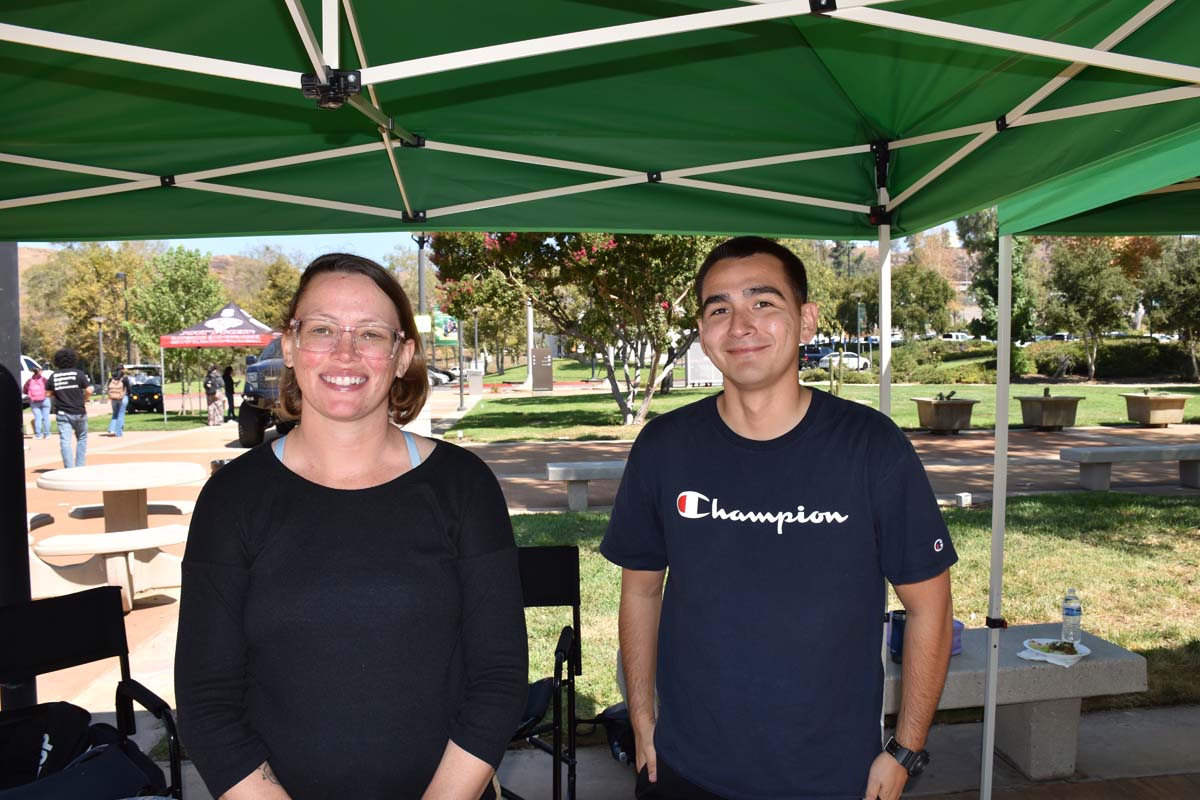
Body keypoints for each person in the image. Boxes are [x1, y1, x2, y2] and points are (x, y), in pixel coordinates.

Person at [601, 237, 957, 800]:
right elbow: (641, 592)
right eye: (719, 309)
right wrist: (642, 718)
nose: (740, 324)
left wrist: (905, 749)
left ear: (807, 320)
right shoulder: (664, 447)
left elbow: (930, 604)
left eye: (763, 303)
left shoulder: (870, 448)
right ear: (702, 330)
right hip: (686, 770)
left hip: (832, 777)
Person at [176, 253, 527, 800]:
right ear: (289, 345)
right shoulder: (232, 499)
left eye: (370, 333)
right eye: (321, 330)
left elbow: (499, 677)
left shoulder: (463, 486)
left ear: (402, 353)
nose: (345, 353)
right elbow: (206, 699)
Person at [47, 348, 92, 468]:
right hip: (79, 411)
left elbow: (47, 393)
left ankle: (69, 467)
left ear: (57, 361)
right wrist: (84, 399)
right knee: (82, 438)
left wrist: (57, 393)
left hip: (62, 412)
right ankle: (80, 466)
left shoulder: (54, 376)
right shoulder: (78, 373)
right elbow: (89, 390)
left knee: (65, 440)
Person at [24, 365, 51, 439]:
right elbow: (50, 388)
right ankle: (47, 434)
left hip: (34, 401)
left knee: (38, 418)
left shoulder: (29, 381)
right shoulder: (44, 380)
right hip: (45, 400)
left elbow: (25, 390)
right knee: (46, 418)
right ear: (40, 371)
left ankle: (38, 435)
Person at [106, 368, 131, 437]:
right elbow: (129, 388)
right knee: (121, 414)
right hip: (122, 398)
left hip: (113, 398)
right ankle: (119, 432)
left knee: (115, 414)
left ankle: (112, 429)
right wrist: (129, 395)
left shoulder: (111, 379)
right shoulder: (124, 379)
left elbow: (108, 387)